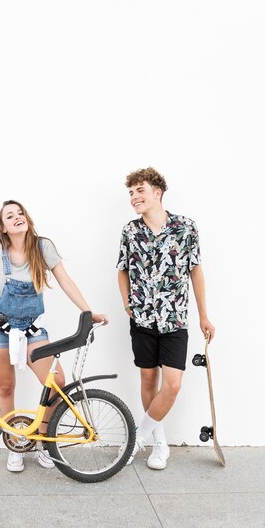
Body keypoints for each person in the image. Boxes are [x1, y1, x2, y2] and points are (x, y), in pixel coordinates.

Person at [0, 200, 108, 473]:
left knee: (56, 383)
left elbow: (65, 280)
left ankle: (45, 442)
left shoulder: (43, 246)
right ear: (3, 227)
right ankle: (15, 444)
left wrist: (87, 310)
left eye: (20, 213)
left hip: (33, 328)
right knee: (5, 387)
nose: (17, 217)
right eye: (10, 216)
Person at [116, 167, 215, 470]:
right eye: (131, 192)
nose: (134, 197)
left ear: (157, 192)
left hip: (175, 319)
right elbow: (121, 269)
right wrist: (126, 303)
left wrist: (204, 315)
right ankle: (159, 443)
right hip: (142, 319)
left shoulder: (186, 227)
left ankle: (136, 438)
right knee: (148, 379)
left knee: (171, 385)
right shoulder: (131, 230)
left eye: (140, 190)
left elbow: (195, 270)